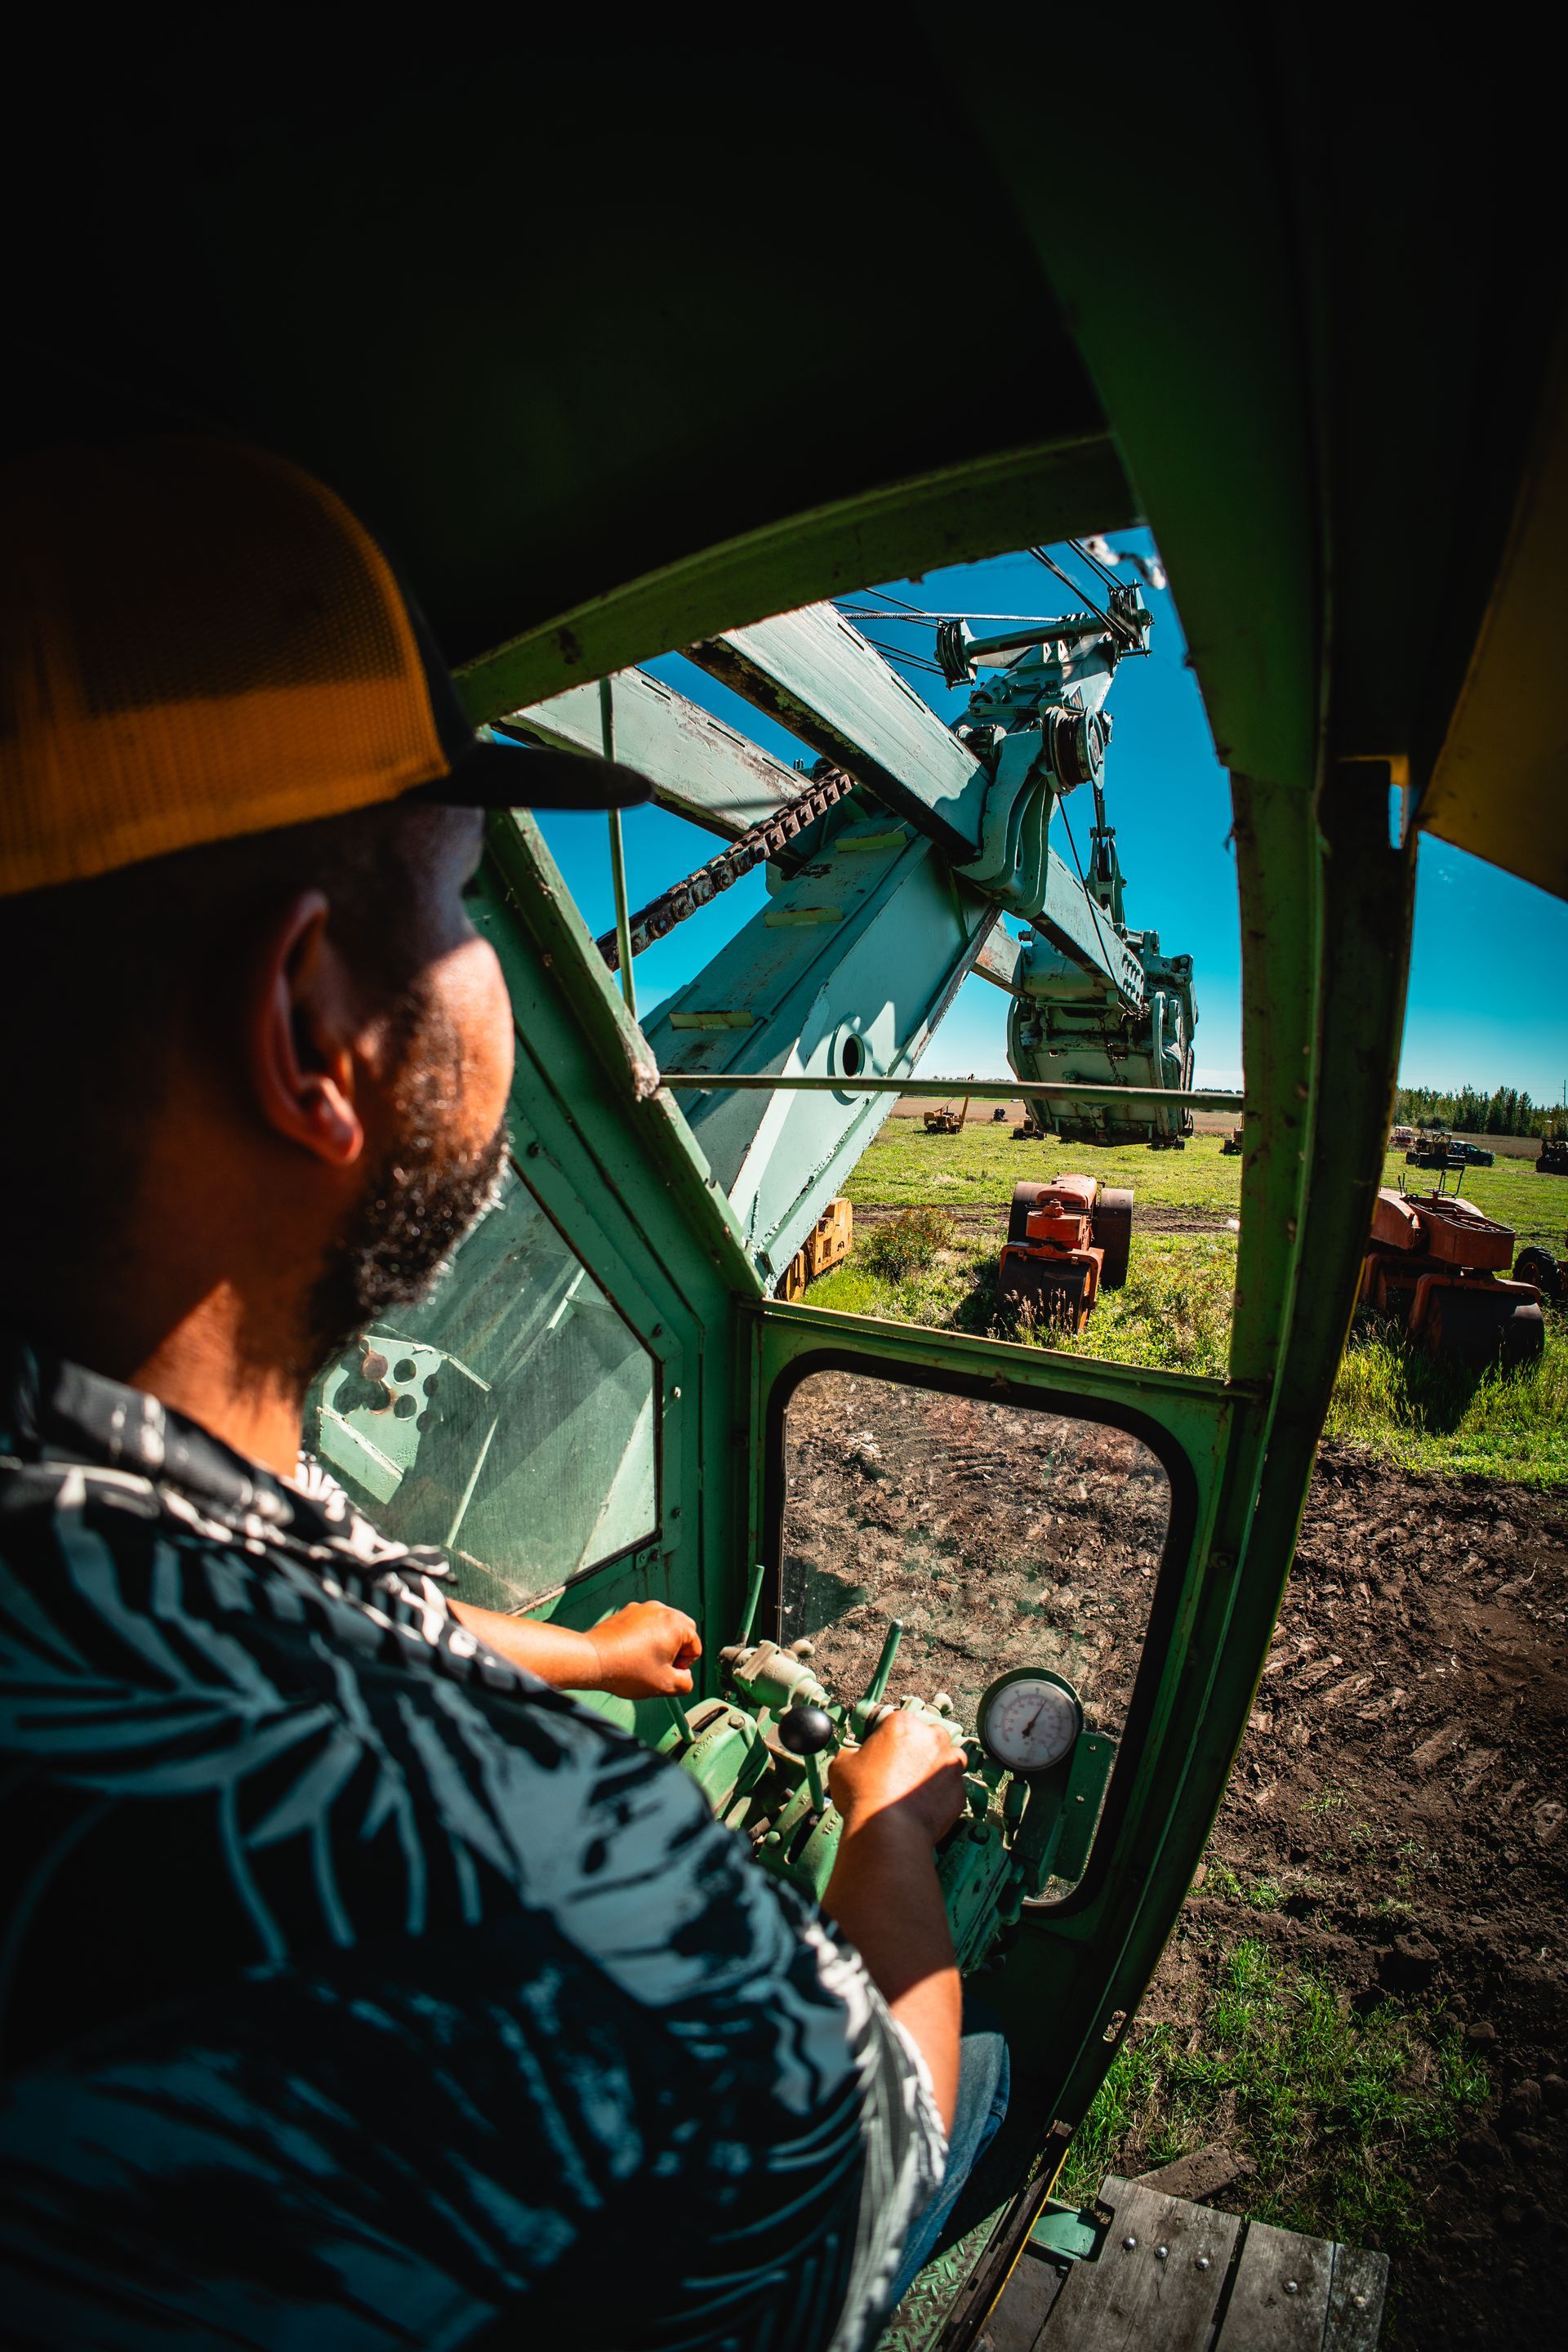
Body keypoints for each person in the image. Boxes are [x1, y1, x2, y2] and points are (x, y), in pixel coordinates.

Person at [0, 434, 1006, 2348]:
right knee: (988, 2075)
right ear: (313, 1028)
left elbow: (273, 1597)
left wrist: (584, 1656)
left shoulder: (75, 1518)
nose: (499, 983)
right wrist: (890, 1836)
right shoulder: (554, 1884)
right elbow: (865, 2164)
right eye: (466, 905)